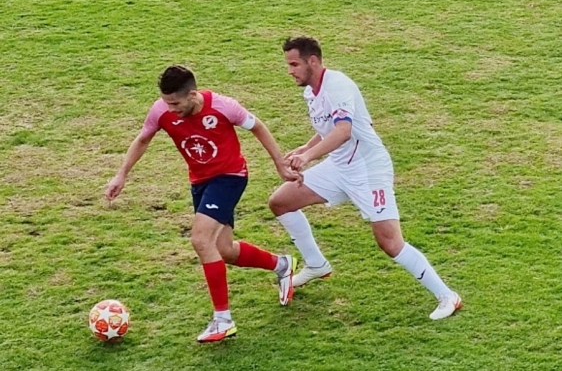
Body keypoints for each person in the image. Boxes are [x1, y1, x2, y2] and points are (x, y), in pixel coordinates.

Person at [268, 37, 462, 320]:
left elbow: (344, 131)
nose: (290, 71)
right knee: (280, 201)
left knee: (390, 242)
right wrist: (307, 147)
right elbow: (336, 125)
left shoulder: (338, 86)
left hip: (368, 170)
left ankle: (448, 296)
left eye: (294, 64)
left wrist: (308, 158)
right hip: (339, 166)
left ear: (313, 61)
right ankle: (316, 264)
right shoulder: (312, 91)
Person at [105, 65, 300, 343]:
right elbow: (143, 139)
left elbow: (257, 127)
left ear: (192, 95)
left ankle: (223, 319)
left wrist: (280, 164)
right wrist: (121, 174)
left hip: (230, 177)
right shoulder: (161, 110)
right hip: (200, 182)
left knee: (200, 239)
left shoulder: (223, 107)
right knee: (224, 250)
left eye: (175, 103)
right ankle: (281, 265)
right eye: (166, 102)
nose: (170, 109)